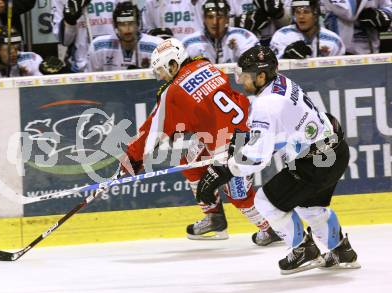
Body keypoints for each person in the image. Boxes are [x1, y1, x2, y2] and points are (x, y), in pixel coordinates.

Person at [194, 45, 361, 274]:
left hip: (315, 163)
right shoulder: (280, 82)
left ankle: (303, 249)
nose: (241, 80)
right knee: (309, 207)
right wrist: (241, 146)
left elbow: (258, 159)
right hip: (335, 152)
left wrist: (224, 170)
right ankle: (341, 250)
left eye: (246, 75)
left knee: (264, 202)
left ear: (261, 76)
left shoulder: (265, 105)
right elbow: (278, 135)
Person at [118, 37, 281, 245]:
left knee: (239, 195)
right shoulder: (205, 64)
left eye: (161, 70)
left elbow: (153, 130)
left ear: (173, 64)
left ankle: (271, 228)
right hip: (236, 126)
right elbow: (200, 110)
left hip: (236, 142)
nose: (160, 77)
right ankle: (214, 218)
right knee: (191, 164)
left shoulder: (173, 92)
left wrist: (131, 159)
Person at [86, 1, 163, 72]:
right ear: (115, 26)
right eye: (122, 24)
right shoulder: (98, 47)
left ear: (138, 24)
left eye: (131, 23)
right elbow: (89, 82)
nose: (127, 28)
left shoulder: (157, 46)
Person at [52, 0, 123, 72]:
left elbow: (129, 26)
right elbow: (64, 41)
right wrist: (70, 21)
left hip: (118, 63)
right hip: (83, 67)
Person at [182, 0, 259, 64]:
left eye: (219, 16)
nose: (215, 22)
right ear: (204, 20)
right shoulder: (189, 43)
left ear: (227, 19)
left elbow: (256, 66)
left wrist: (238, 51)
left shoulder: (244, 37)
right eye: (210, 17)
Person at [270, 0, 345, 59]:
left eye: (306, 12)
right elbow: (272, 68)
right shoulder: (282, 36)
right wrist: (285, 57)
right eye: (298, 12)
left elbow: (341, 73)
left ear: (316, 15)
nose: (301, 16)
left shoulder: (334, 40)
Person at [323, 0, 392, 54]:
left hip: (372, 50)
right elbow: (348, 13)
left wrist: (383, 14)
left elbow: (389, 6)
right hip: (341, 51)